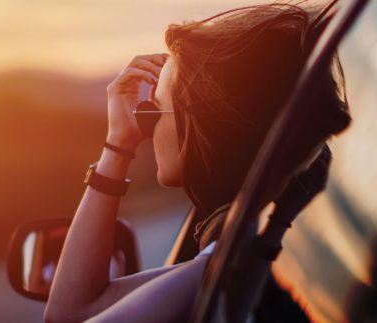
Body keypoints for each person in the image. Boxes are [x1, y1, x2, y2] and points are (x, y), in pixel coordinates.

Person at [44, 3, 351, 323]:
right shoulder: (239, 255)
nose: (143, 130)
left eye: (153, 111)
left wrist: (117, 145)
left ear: (198, 123)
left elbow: (69, 314)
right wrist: (277, 223)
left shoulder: (213, 269)